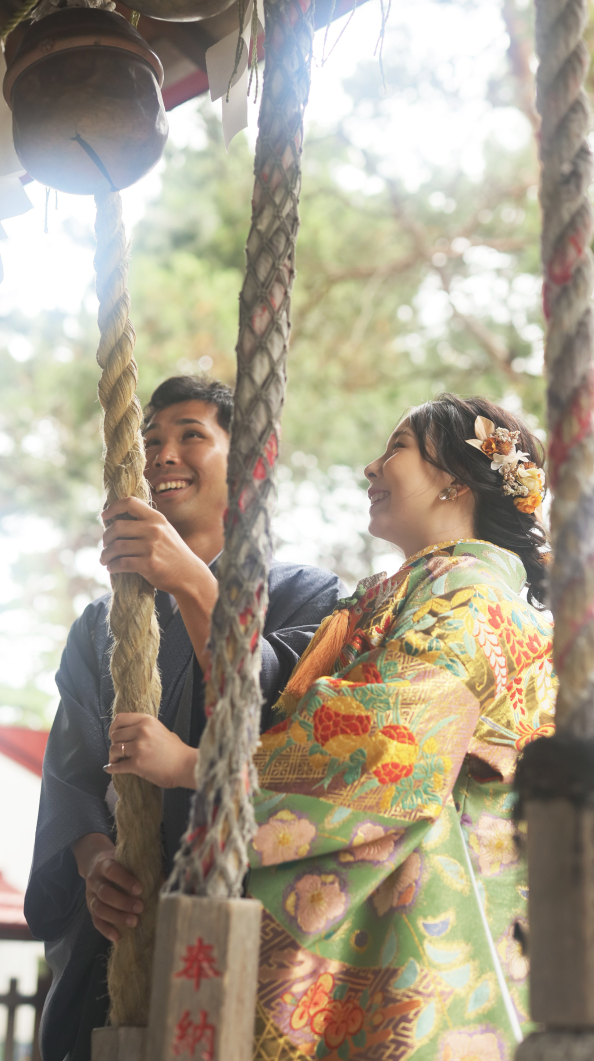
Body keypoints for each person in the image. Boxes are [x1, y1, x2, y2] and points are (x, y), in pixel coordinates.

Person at [107, 393, 556, 1060]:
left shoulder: (470, 599)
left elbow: (384, 747)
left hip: (431, 912)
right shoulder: (409, 593)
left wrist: (194, 767)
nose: (371, 467)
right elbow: (290, 701)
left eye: (397, 448)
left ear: (455, 482)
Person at [24, 375, 345, 1061]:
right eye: (151, 441)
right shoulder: (98, 626)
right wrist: (95, 861)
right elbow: (71, 771)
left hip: (238, 930)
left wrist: (188, 579)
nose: (164, 454)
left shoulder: (306, 597)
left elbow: (286, 739)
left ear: (248, 459)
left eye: (192, 435)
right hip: (119, 937)